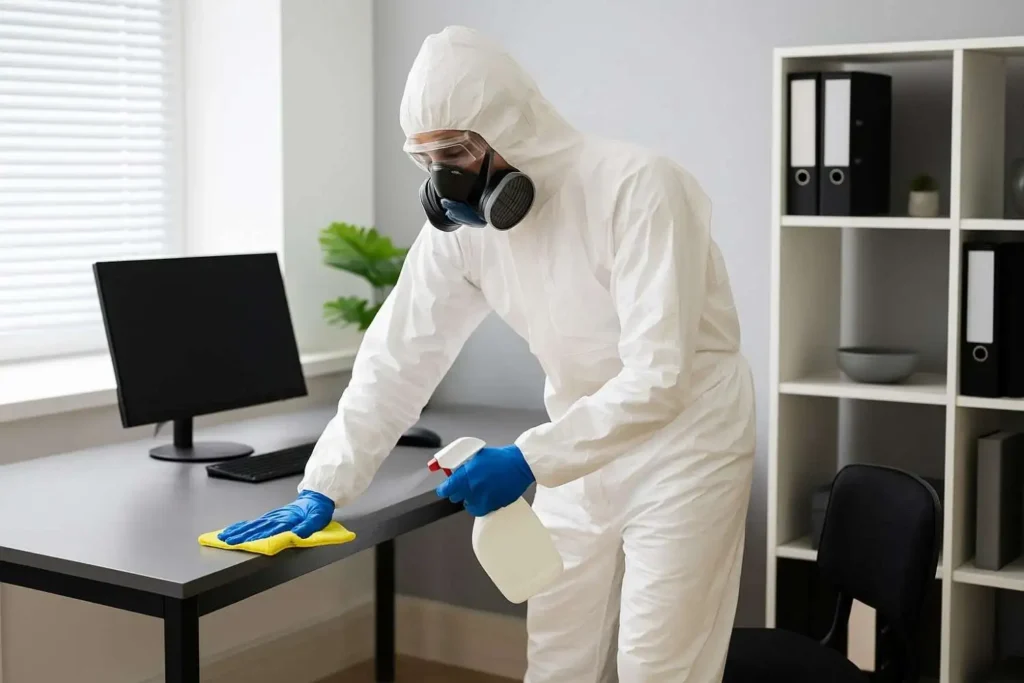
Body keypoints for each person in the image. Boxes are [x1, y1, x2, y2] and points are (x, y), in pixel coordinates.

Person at [219, 25, 756, 683]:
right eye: (426, 158)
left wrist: (528, 457)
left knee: (658, 661)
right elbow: (398, 357)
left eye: (456, 152)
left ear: (511, 131)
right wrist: (325, 481)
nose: (443, 178)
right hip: (579, 434)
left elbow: (659, 377)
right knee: (557, 644)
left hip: (687, 436)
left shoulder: (639, 188)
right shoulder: (460, 236)